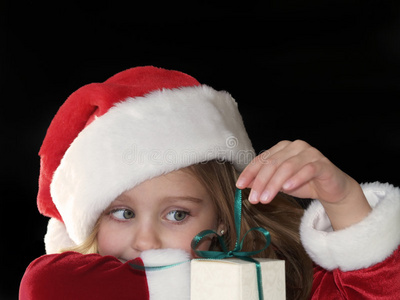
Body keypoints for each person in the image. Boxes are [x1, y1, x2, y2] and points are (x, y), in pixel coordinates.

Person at [19, 66, 400, 299]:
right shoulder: (71, 284)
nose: (146, 241)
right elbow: (46, 286)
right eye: (122, 212)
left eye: (177, 214)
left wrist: (345, 200)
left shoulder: (279, 285)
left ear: (220, 219)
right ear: (89, 221)